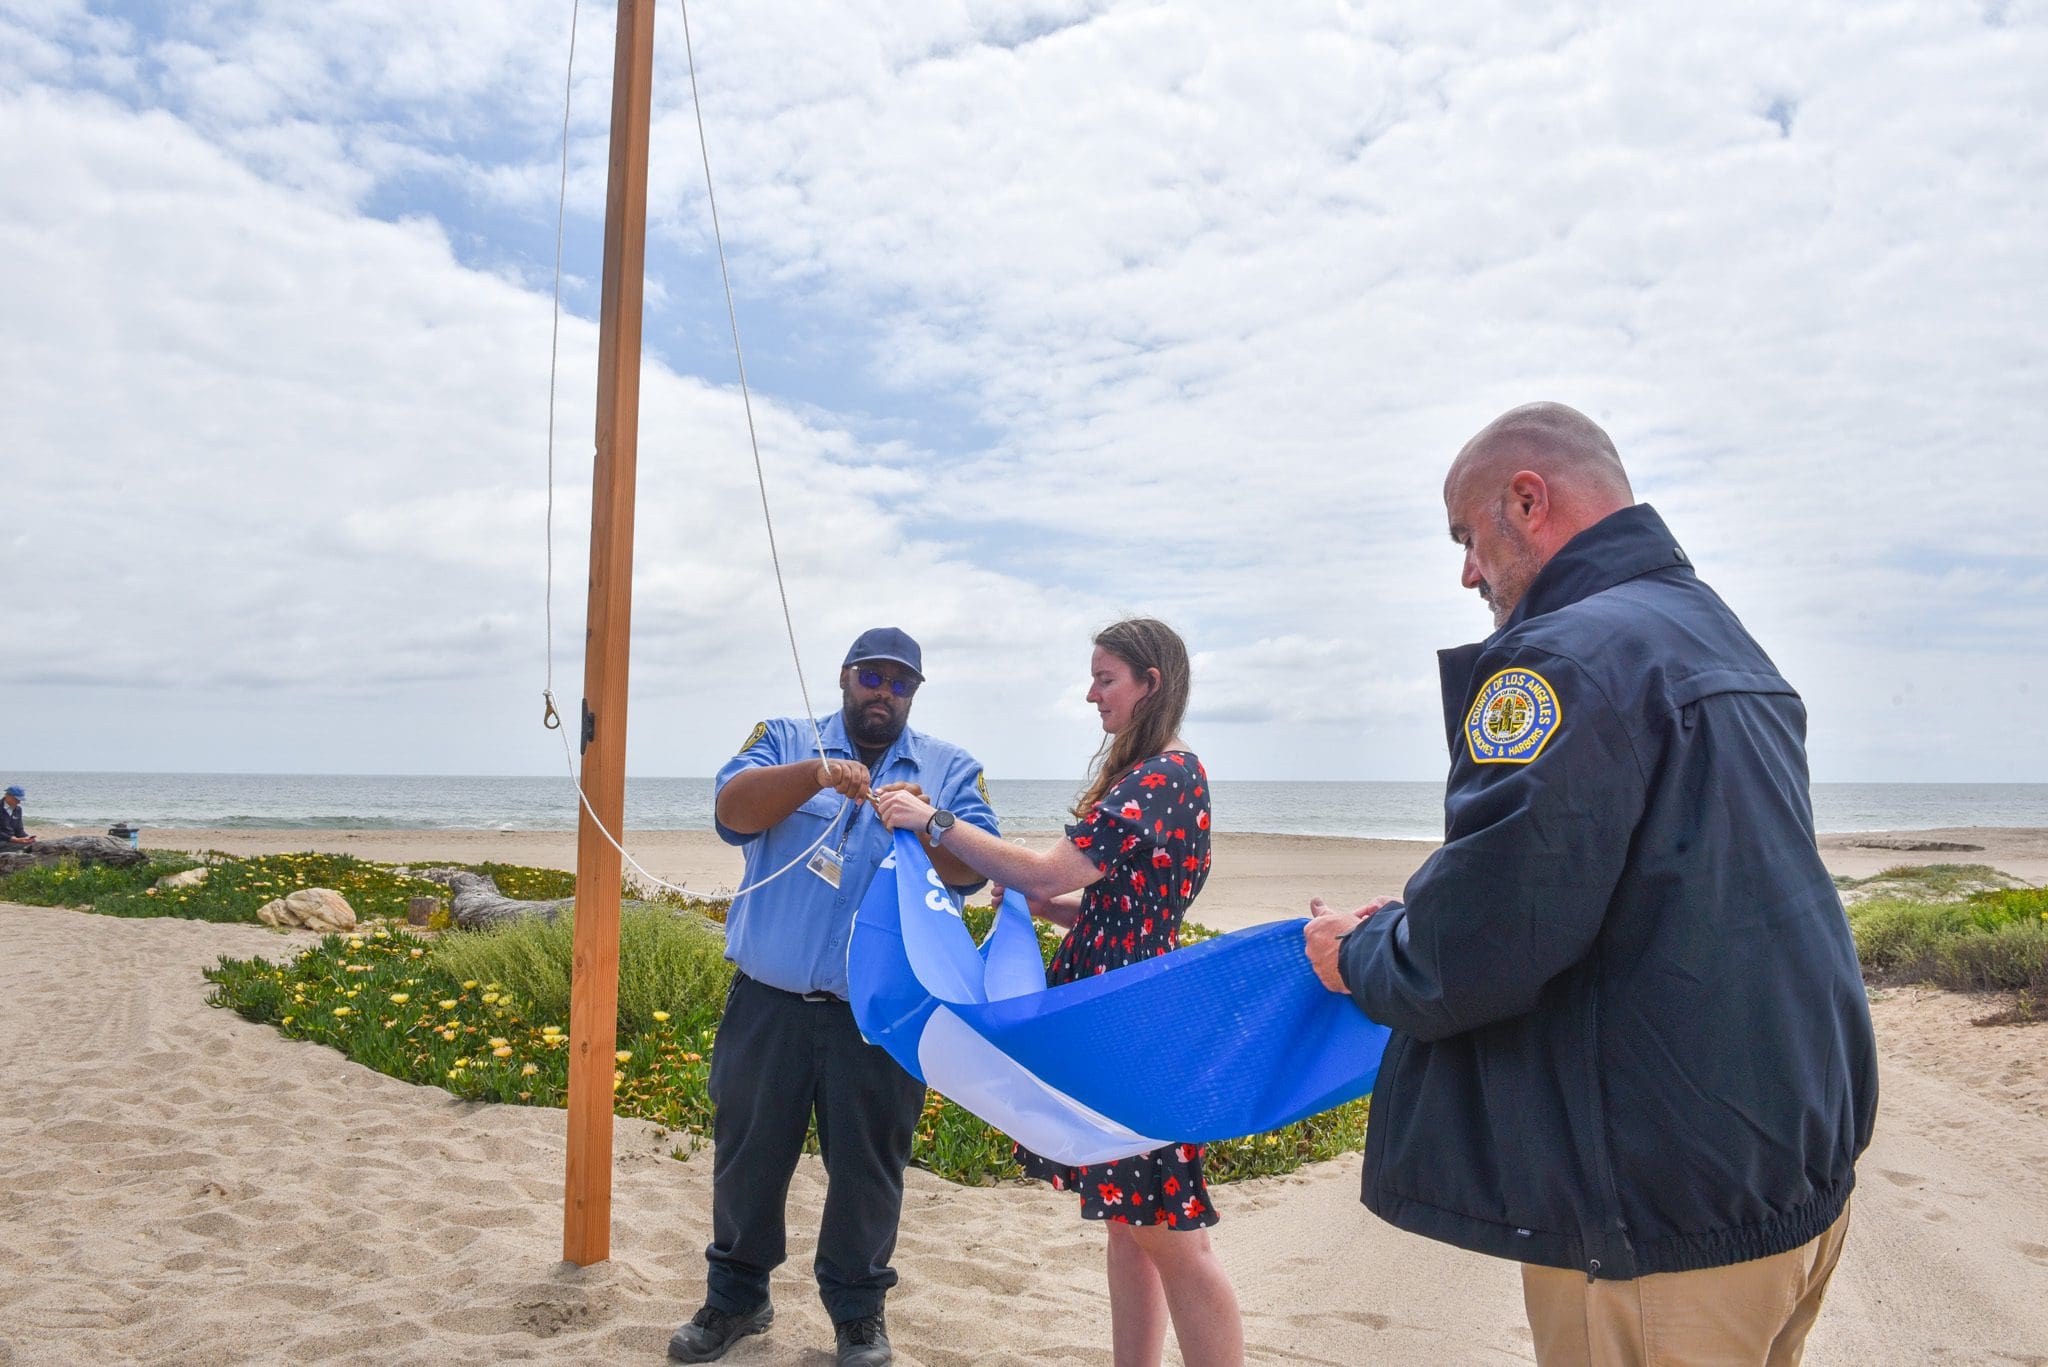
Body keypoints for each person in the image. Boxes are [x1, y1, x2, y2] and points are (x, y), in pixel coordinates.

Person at [1304, 403, 1879, 1365]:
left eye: (1467, 536)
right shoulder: (1719, 634)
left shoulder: (1564, 657)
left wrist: (1358, 950)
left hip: (1661, 1216)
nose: (1466, 572)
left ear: (1527, 499)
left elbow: (1476, 948)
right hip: (1795, 1179)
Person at [875, 618, 1245, 1367]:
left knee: (1173, 1235)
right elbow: (1134, 904)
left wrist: (933, 820)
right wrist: (1065, 911)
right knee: (1129, 1221)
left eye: (1106, 677)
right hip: (1120, 1011)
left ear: (1152, 682)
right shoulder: (1171, 773)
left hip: (1129, 1025)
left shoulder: (1163, 775)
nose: (1091, 693)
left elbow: (1045, 868)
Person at [670, 628, 1000, 1367]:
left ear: (915, 693)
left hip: (882, 1016)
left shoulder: (951, 769)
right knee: (747, 1155)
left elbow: (973, 868)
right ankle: (736, 1298)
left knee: (869, 1167)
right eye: (873, 677)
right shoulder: (785, 737)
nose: (885, 693)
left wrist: (927, 819)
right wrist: (816, 774)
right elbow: (732, 810)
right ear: (846, 676)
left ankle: (858, 1314)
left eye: (901, 683)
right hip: (770, 1000)